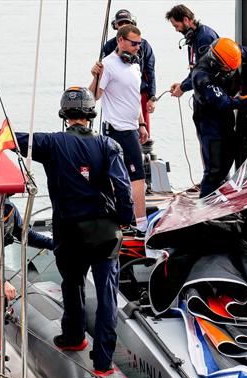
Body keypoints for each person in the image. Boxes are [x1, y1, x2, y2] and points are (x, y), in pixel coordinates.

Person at [0, 87, 134, 376]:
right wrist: (125, 219)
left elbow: (13, 139)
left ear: (65, 114)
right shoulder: (109, 145)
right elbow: (123, 189)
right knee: (107, 296)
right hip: (105, 232)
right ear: (91, 114)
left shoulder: (51, 143)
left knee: (73, 285)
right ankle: (103, 363)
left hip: (70, 232)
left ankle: (73, 338)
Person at [190, 37, 247, 196]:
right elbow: (224, 102)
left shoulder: (230, 52)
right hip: (209, 121)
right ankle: (206, 206)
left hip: (226, 119)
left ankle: (221, 201)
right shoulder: (202, 76)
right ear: (218, 63)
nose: (232, 71)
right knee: (214, 170)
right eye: (228, 69)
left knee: (227, 164)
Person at [90, 24, 149, 232]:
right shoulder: (108, 65)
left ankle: (130, 221)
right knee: (135, 177)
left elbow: (134, 98)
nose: (137, 48)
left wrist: (141, 123)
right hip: (117, 130)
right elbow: (94, 96)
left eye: (139, 44)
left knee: (126, 177)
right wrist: (95, 76)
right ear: (120, 41)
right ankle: (140, 225)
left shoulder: (134, 64)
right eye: (133, 43)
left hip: (132, 128)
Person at [101, 9, 157, 144]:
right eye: (121, 23)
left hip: (139, 94)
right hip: (116, 95)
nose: (124, 25)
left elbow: (150, 72)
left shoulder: (144, 45)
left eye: (127, 22)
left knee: (142, 135)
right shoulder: (109, 46)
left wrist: (152, 97)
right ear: (116, 26)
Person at [165, 4, 219, 98]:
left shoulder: (205, 37)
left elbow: (204, 72)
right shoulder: (192, 38)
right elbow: (195, 69)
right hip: (203, 96)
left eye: (176, 26)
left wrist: (182, 88)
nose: (176, 30)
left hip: (213, 97)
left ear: (185, 20)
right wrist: (182, 84)